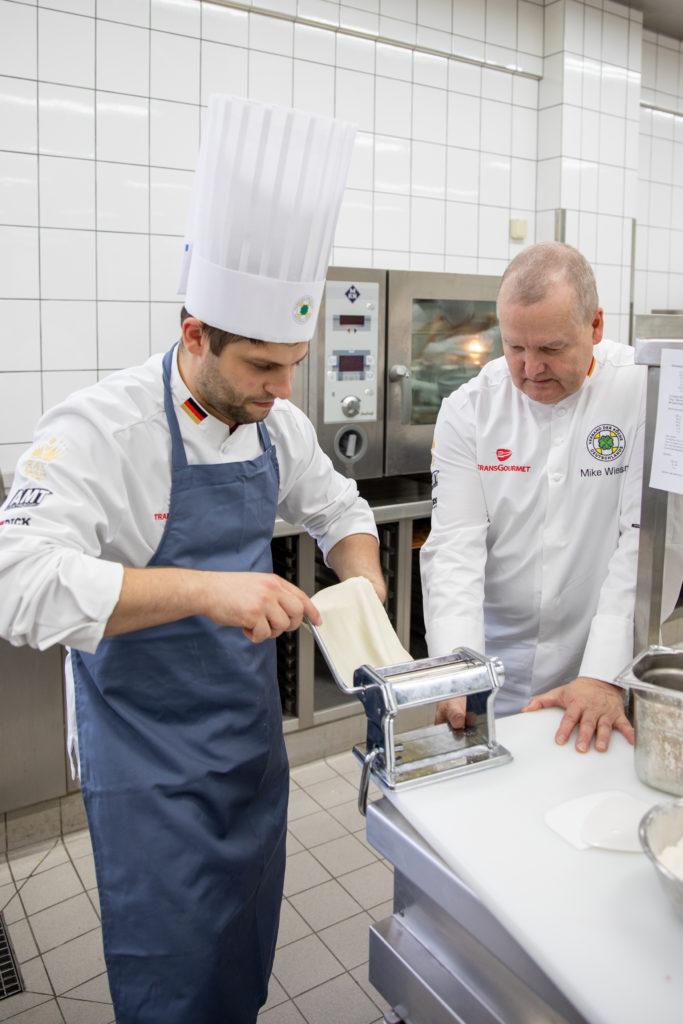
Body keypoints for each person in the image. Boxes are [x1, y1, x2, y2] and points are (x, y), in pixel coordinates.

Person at [0, 96, 384, 1024]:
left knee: (240, 952)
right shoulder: (100, 429)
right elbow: (17, 583)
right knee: (170, 975)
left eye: (293, 365)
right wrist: (206, 590)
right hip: (147, 757)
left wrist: (364, 585)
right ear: (194, 335)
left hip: (246, 742)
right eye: (260, 367)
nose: (281, 389)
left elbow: (339, 508)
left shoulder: (276, 422)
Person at [420, 241, 648, 756]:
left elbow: (643, 540)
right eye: (515, 347)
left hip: (601, 669)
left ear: (595, 326)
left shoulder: (641, 392)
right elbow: (454, 547)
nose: (531, 368)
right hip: (494, 668)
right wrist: (459, 666)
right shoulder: (469, 410)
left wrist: (602, 672)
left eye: (551, 348)